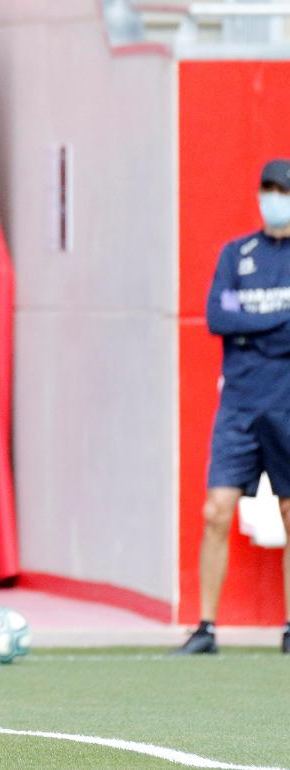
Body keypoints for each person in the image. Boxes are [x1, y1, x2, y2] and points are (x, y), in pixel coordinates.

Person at [177, 158, 290, 656]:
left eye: (281, 189)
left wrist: (252, 322)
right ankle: (205, 628)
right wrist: (280, 321)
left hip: (286, 404)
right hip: (239, 405)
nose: (272, 197)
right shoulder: (236, 253)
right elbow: (218, 318)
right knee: (216, 509)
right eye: (266, 189)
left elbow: (239, 318)